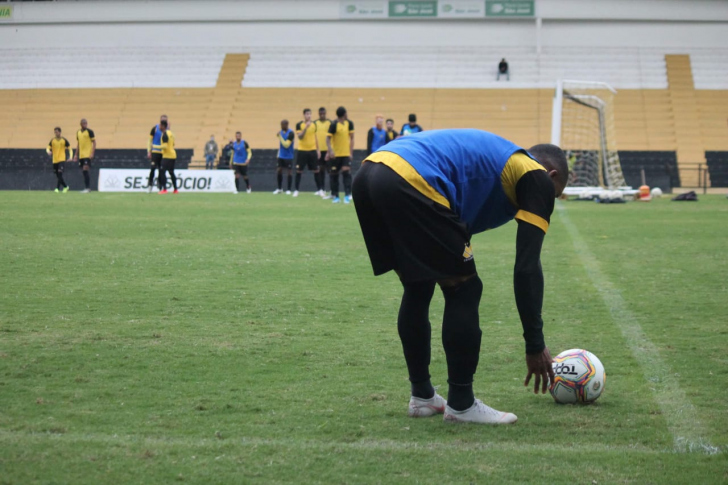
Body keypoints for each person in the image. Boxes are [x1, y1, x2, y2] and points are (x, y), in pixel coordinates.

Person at [351, 129, 568, 424]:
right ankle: (462, 404)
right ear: (551, 174)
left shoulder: (496, 165)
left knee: (418, 284)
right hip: (411, 178)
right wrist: (535, 343)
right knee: (464, 288)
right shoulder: (534, 175)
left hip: (370, 173)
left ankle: (423, 397)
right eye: (554, 195)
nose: (547, 203)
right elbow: (527, 267)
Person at [326, 106, 355, 204]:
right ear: (343, 114)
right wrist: (330, 151)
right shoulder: (334, 124)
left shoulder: (349, 124)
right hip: (335, 155)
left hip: (345, 154)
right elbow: (327, 139)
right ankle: (336, 196)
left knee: (346, 173)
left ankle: (347, 195)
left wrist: (350, 152)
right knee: (334, 175)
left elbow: (352, 138)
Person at [294, 108, 321, 198]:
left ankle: (320, 190)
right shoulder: (299, 125)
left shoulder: (314, 125)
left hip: (312, 150)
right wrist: (306, 127)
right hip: (302, 150)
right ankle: (296, 190)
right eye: (307, 114)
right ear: (304, 115)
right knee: (299, 171)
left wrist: (318, 150)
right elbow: (300, 137)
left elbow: (315, 137)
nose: (309, 116)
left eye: (310, 114)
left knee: (316, 170)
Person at [46, 127, 73, 193]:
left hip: (61, 159)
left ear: (60, 132)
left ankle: (57, 188)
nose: (55, 133)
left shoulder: (64, 140)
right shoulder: (52, 140)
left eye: (57, 132)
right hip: (55, 160)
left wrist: (71, 157)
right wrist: (48, 151)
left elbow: (70, 149)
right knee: (58, 175)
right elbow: (48, 147)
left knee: (60, 173)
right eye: (55, 132)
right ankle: (65, 186)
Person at [73, 118, 95, 193]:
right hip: (81, 155)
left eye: (86, 123)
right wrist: (76, 155)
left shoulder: (90, 132)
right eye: (84, 123)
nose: (85, 125)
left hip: (87, 154)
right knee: (84, 171)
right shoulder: (78, 132)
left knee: (85, 168)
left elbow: (94, 143)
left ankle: (88, 188)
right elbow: (78, 144)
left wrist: (92, 153)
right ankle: (87, 188)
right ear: (81, 124)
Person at [147, 114, 168, 193]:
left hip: (163, 153)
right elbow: (149, 140)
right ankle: (150, 185)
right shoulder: (155, 128)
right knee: (153, 168)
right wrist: (149, 150)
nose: (164, 121)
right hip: (155, 152)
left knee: (161, 170)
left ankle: (160, 186)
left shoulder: (167, 130)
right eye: (163, 120)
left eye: (165, 120)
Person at [314, 107, 332, 198]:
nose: (322, 115)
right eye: (320, 114)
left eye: (323, 113)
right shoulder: (315, 123)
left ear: (325, 113)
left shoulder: (330, 123)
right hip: (319, 151)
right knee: (320, 170)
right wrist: (317, 150)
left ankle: (331, 190)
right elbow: (313, 137)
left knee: (330, 170)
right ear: (318, 114)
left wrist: (330, 150)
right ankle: (321, 189)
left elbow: (332, 137)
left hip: (328, 150)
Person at [274, 120, 295, 194]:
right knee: (279, 170)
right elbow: (280, 145)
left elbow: (286, 145)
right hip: (281, 156)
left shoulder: (291, 133)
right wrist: (278, 154)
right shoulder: (281, 132)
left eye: (283, 125)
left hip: (289, 156)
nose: (282, 126)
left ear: (287, 125)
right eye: (281, 125)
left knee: (289, 172)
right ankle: (279, 189)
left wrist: (279, 137)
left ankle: (288, 190)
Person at [158, 120, 178, 195]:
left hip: (167, 156)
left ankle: (164, 189)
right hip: (173, 155)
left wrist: (154, 147)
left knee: (162, 171)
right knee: (171, 172)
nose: (159, 126)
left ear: (163, 126)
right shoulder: (171, 133)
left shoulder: (165, 134)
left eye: (160, 125)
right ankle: (175, 189)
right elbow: (173, 144)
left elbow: (165, 146)